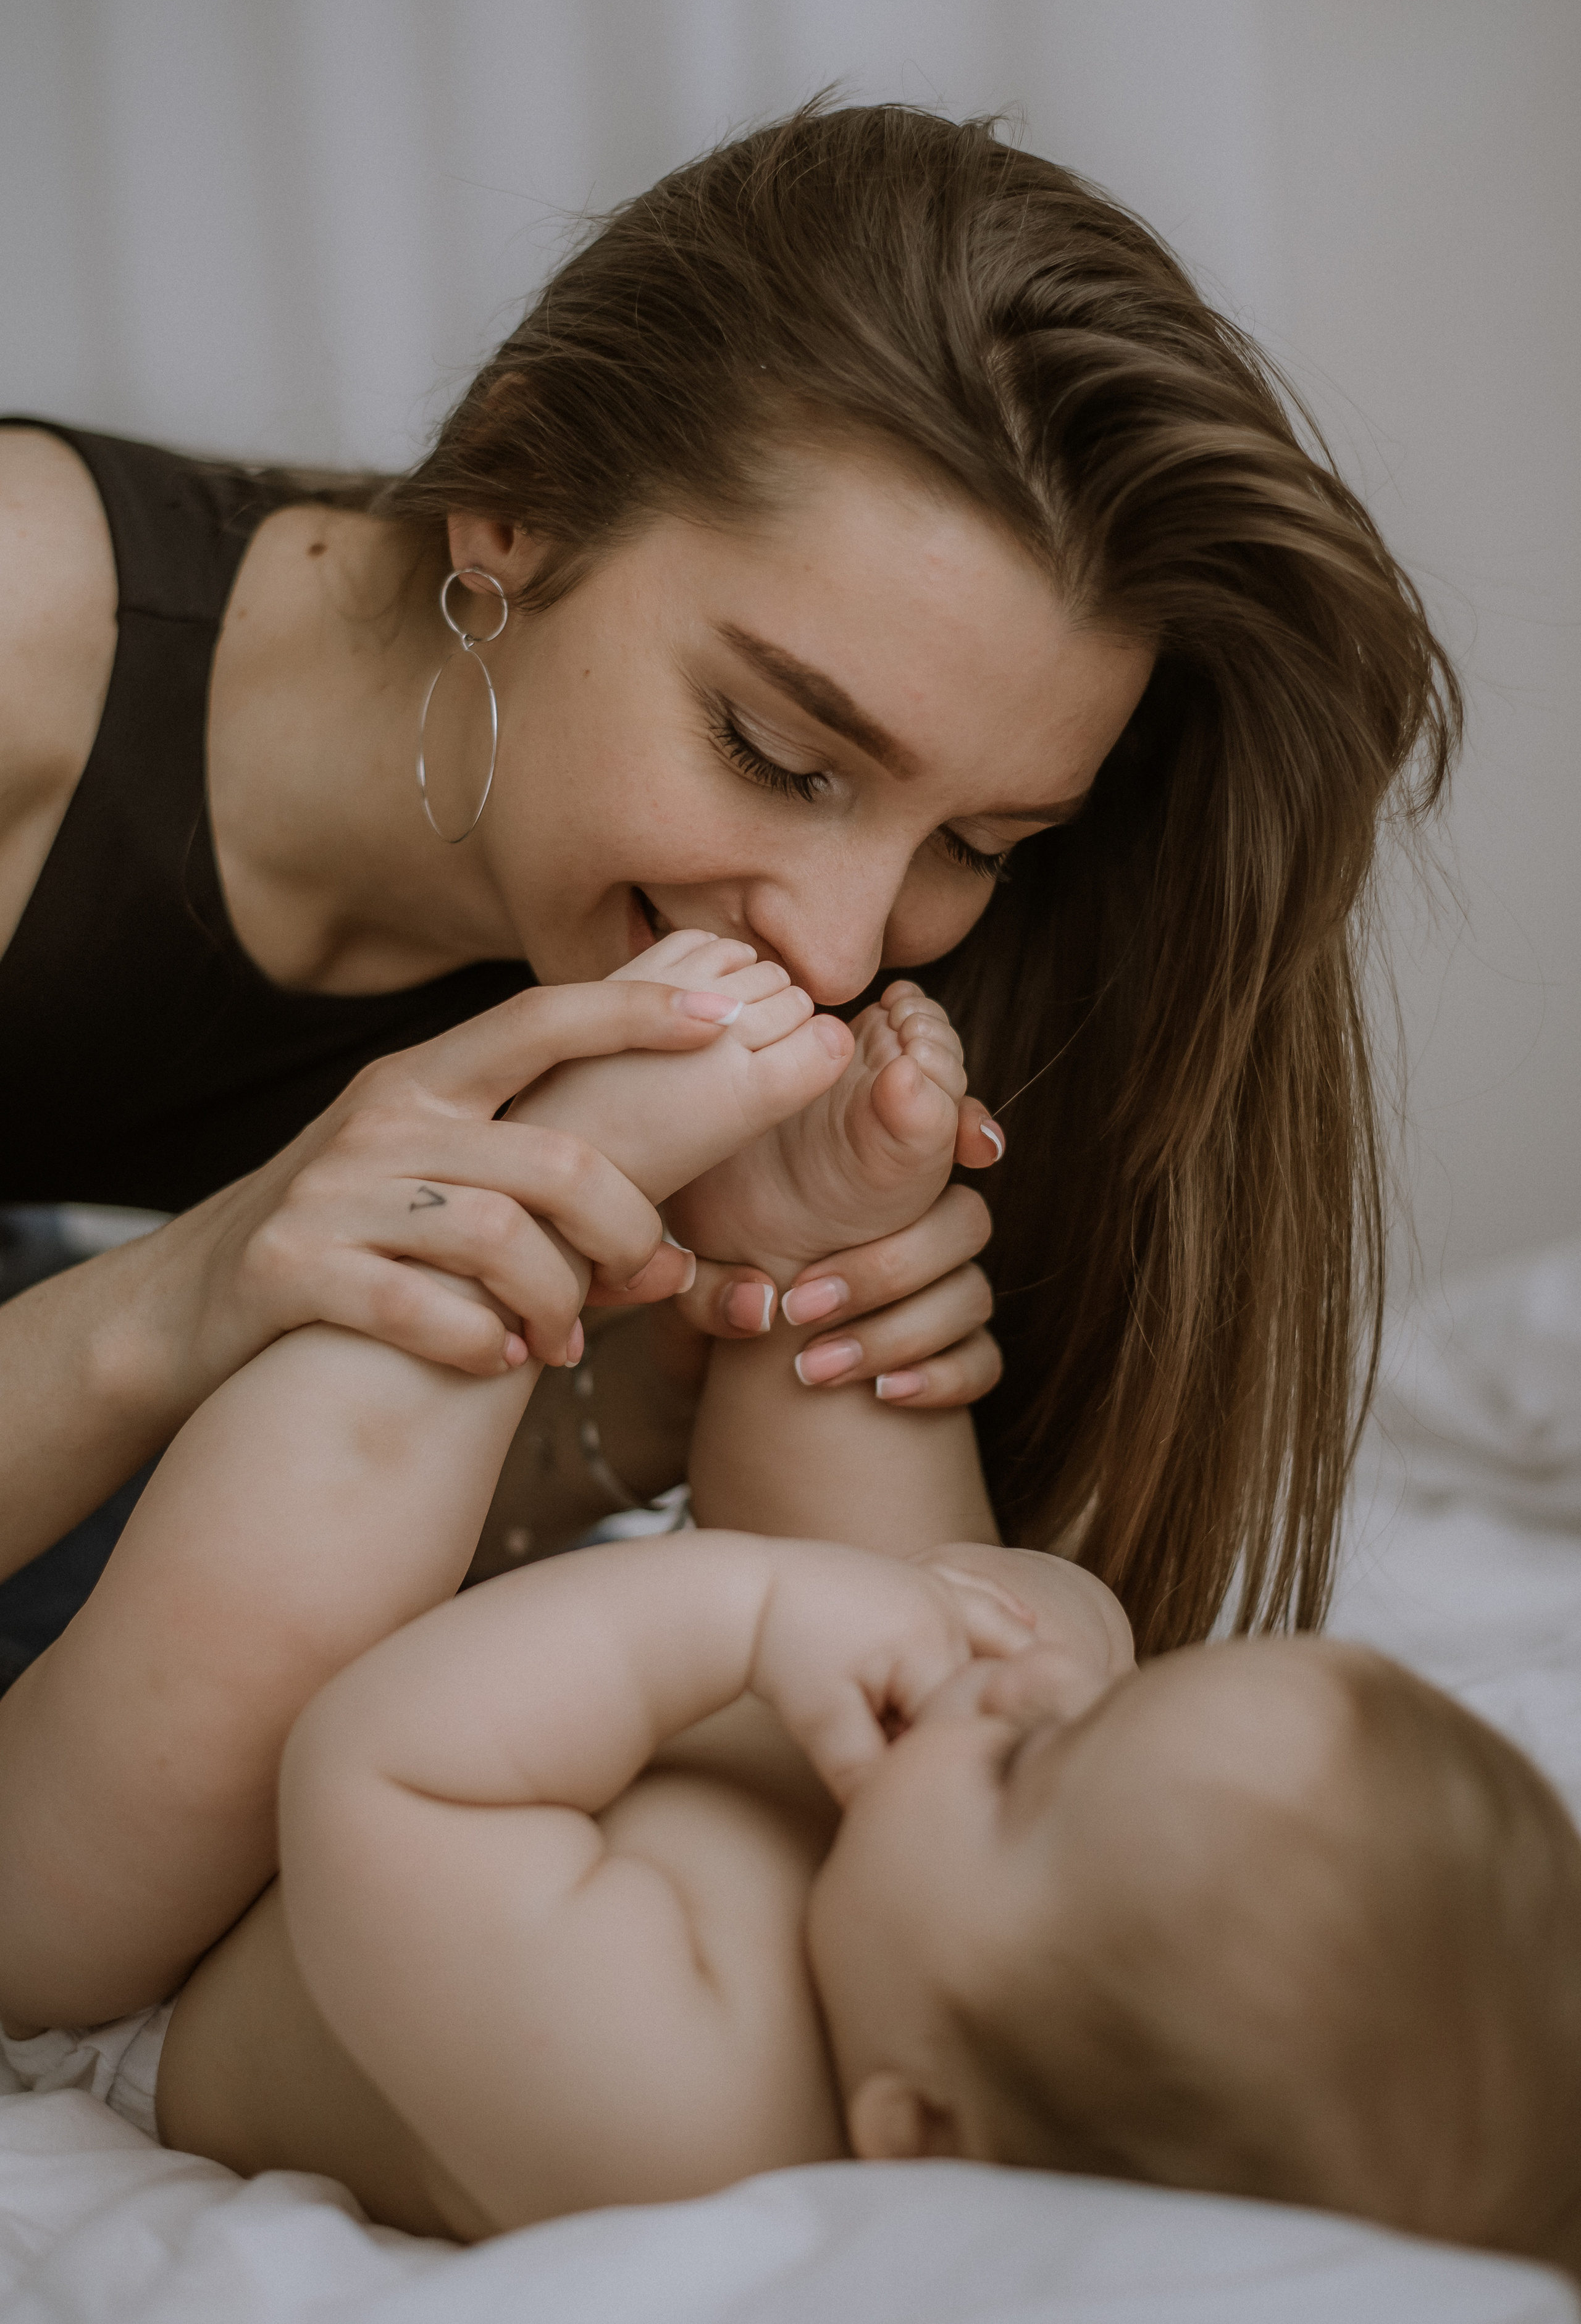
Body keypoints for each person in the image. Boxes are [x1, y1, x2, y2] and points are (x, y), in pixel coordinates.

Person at [0, 101, 1461, 1678]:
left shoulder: (816, 1009)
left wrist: (674, 1384)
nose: (833, 948)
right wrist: (185, 1296)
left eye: (976, 847)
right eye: (773, 751)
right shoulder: (25, 646)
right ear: (514, 502)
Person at [1, 942, 1576, 2277]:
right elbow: (1001, 1674)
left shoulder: (676, 2109)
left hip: (164, 1949)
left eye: (1037, 1770)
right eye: (1118, 1707)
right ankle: (804, 1257)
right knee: (967, 1609)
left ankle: (538, 1202)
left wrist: (751, 1610)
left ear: (921, 2133)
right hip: (581, 1761)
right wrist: (1049, 1631)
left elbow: (382, 1766)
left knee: (247, 1664)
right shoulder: (940, 1929)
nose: (1034, 1703)